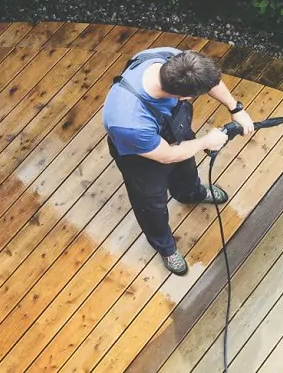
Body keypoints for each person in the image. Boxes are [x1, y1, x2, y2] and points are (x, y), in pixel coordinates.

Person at [102, 47, 254, 276]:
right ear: (184, 97)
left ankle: (190, 193)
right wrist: (206, 141)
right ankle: (166, 247)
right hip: (141, 158)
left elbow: (210, 81)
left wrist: (236, 108)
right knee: (151, 204)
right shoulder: (128, 119)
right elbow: (168, 155)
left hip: (174, 133)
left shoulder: (173, 61)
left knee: (186, 169)